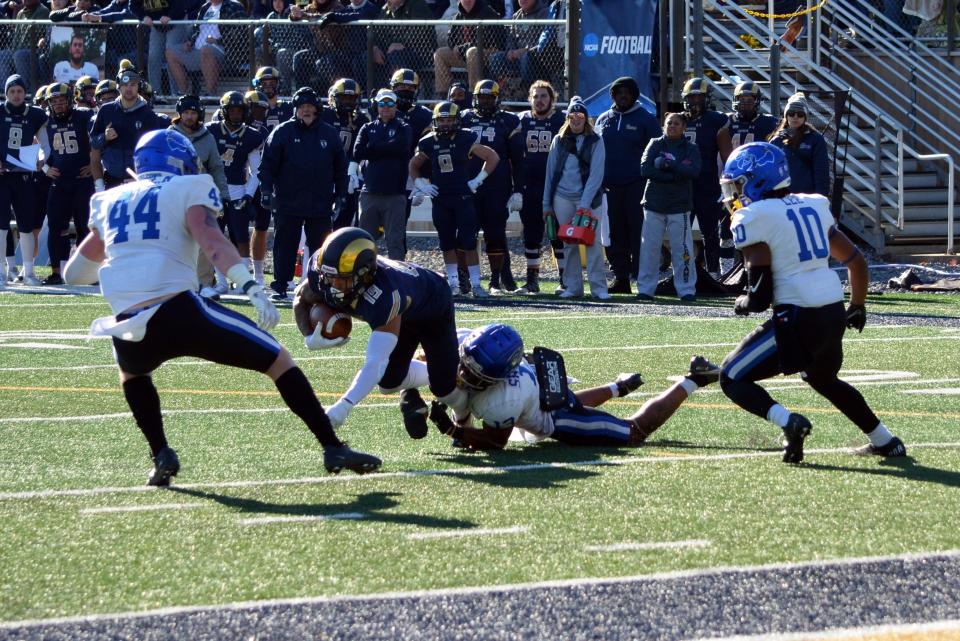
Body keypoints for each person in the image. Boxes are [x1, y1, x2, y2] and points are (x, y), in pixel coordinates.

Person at [62, 129, 381, 484]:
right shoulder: (187, 187)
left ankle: (161, 454)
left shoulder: (110, 200)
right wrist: (249, 285)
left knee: (134, 374)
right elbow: (212, 241)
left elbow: (75, 273)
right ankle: (331, 445)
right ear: (178, 161)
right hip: (178, 311)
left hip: (128, 321)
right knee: (278, 359)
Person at [717, 141, 906, 463]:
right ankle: (886, 441)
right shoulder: (813, 204)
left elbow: (760, 297)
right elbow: (855, 261)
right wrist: (857, 306)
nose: (734, 193)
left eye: (739, 184)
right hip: (832, 310)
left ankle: (789, 422)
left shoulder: (754, 215)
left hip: (797, 314)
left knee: (732, 377)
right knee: (822, 378)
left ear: (757, 180)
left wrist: (742, 301)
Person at [292, 226, 470, 439]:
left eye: (341, 279)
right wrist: (308, 336)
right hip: (404, 305)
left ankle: (464, 415)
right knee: (388, 383)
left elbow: (375, 362)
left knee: (445, 389)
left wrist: (343, 406)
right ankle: (416, 385)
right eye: (329, 277)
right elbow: (301, 298)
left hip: (432, 306)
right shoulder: (322, 272)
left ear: (364, 275)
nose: (332, 285)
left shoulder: (386, 295)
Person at [427, 323, 720, 450]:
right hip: (541, 384)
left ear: (501, 376)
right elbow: (427, 351)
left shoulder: (501, 399)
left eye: (475, 374)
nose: (463, 374)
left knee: (633, 432)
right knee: (572, 404)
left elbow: (494, 443)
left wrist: (453, 429)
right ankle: (618, 386)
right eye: (464, 364)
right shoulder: (464, 340)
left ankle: (694, 378)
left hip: (554, 415)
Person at [259, 86, 346, 301]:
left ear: (317, 109)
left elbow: (341, 169)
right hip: (288, 201)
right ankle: (280, 285)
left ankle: (319, 286)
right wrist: (266, 191)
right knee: (284, 245)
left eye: (310, 107)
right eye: (302, 107)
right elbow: (267, 165)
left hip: (320, 201)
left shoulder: (329, 133)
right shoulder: (282, 132)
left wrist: (341, 194)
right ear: (296, 109)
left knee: (320, 247)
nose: (306, 110)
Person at [409, 100, 499, 297]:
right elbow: (414, 165)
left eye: (449, 120)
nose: (445, 124)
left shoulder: (466, 137)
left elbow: (492, 156)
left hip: (463, 197)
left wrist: (478, 180)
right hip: (441, 198)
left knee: (468, 241)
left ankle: (476, 284)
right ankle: (454, 284)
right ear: (435, 122)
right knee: (446, 242)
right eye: (441, 120)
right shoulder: (428, 141)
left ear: (457, 120)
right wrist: (420, 184)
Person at [595, 76, 661, 295]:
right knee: (613, 234)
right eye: (618, 92)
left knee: (639, 233)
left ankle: (642, 280)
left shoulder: (646, 119)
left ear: (634, 95)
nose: (623, 96)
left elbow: (657, 152)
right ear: (612, 95)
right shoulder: (604, 119)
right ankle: (620, 277)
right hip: (609, 187)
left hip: (637, 186)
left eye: (627, 92)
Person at [542, 96, 608, 300]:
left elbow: (596, 175)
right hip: (562, 197)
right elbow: (550, 173)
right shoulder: (559, 140)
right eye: (573, 115)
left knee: (593, 244)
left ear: (586, 118)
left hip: (589, 200)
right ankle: (573, 287)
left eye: (580, 115)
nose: (576, 119)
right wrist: (546, 204)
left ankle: (599, 289)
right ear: (568, 118)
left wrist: (585, 205)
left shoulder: (596, 140)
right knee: (568, 244)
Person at [461, 79, 522, 294]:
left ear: (497, 99)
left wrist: (518, 189)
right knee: (465, 234)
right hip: (468, 186)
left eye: (489, 97)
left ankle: (496, 281)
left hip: (497, 186)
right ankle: (464, 280)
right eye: (482, 97)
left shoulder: (508, 120)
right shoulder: (463, 118)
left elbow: (518, 159)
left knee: (495, 233)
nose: (485, 101)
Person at [204, 91, 266, 297]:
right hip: (213, 192)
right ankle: (221, 282)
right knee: (215, 237)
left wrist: (248, 196)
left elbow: (257, 171)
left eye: (240, 110)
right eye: (232, 110)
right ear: (224, 111)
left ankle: (242, 282)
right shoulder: (210, 131)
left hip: (238, 192)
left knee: (241, 238)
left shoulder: (251, 136)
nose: (236, 114)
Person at [637, 112, 701, 302]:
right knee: (649, 248)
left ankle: (686, 289)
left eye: (676, 123)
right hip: (653, 203)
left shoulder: (691, 148)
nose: (672, 126)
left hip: (679, 205)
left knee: (682, 249)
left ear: (683, 127)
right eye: (669, 123)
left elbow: (693, 171)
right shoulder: (655, 144)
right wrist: (675, 174)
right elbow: (646, 169)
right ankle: (646, 289)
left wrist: (668, 165)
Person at [39, 82, 95, 285]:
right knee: (56, 227)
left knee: (85, 228)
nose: (59, 105)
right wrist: (45, 168)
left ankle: (85, 274)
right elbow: (32, 145)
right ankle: (57, 272)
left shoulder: (84, 116)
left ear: (70, 100)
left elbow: (101, 140)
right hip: (60, 181)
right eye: (54, 101)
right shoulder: (44, 120)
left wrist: (94, 163)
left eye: (62, 101)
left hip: (82, 180)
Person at [511, 80, 564, 294]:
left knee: (556, 233)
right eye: (536, 96)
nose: (539, 100)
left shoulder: (561, 120)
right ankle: (532, 280)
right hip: (528, 185)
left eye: (544, 96)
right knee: (531, 233)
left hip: (554, 185)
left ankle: (564, 279)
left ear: (552, 99)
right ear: (529, 99)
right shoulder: (521, 120)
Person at [718, 81, 778, 269]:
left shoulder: (768, 122)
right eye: (741, 99)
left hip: (755, 186)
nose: (745, 103)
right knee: (726, 231)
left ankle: (752, 269)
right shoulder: (726, 121)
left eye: (749, 99)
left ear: (757, 101)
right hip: (730, 185)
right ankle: (725, 270)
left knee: (755, 229)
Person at [681, 77, 732, 280]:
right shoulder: (679, 119)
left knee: (709, 232)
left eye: (699, 97)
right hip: (684, 184)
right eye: (691, 97)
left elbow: (727, 157)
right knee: (681, 232)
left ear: (707, 98)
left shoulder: (716, 120)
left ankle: (713, 272)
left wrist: (725, 186)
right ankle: (683, 272)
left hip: (707, 183)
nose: (694, 101)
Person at [0, 74, 48, 286]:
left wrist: (42, 160)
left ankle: (29, 272)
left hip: (24, 176)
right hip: (2, 176)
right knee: (1, 226)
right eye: (12, 91)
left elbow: (45, 144)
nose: (16, 95)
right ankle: (1, 272)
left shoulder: (36, 114)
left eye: (19, 91)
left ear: (25, 92)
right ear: (6, 92)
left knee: (26, 226)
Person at [353, 88, 412, 260]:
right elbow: (358, 152)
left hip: (394, 194)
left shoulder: (404, 127)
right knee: (364, 240)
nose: (386, 107)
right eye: (382, 103)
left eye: (390, 103)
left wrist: (373, 148)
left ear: (395, 106)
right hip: (370, 192)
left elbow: (402, 147)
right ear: (376, 106)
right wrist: (386, 147)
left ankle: (399, 280)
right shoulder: (367, 127)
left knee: (395, 241)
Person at [90, 68, 167, 191]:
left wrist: (146, 180)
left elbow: (156, 151)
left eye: (133, 85)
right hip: (111, 181)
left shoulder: (148, 115)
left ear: (138, 86)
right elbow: (93, 144)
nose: (129, 88)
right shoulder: (106, 111)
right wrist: (104, 137)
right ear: (118, 87)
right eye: (125, 85)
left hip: (138, 182)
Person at [166, 0, 247, 96]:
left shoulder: (233, 6)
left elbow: (241, 32)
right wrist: (190, 42)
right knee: (170, 52)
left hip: (224, 51)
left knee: (207, 49)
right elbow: (197, 30)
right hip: (197, 50)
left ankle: (210, 94)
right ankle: (185, 94)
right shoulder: (205, 7)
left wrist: (217, 40)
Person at [322, 78, 369, 229]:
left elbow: (361, 150)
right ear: (333, 98)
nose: (348, 102)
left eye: (351, 98)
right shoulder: (324, 114)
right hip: (324, 171)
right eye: (343, 97)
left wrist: (354, 171)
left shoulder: (360, 120)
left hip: (348, 173)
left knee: (346, 215)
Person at [432, 0, 503, 99]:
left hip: (490, 52)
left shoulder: (486, 12)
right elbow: (450, 38)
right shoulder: (460, 15)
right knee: (440, 53)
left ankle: (473, 94)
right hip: (466, 54)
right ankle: (444, 95)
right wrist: (455, 47)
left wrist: (461, 48)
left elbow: (484, 41)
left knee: (472, 51)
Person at [768, 92, 830, 197]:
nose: (795, 117)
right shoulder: (776, 140)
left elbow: (821, 172)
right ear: (786, 116)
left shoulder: (815, 139)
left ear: (805, 117)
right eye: (791, 113)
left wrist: (820, 198)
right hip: (781, 197)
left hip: (807, 197)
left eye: (800, 114)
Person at [487, 0, 550, 95]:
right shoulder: (516, 16)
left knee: (526, 56)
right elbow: (510, 39)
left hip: (537, 59)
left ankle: (526, 92)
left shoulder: (545, 13)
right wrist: (510, 51)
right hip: (516, 57)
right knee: (495, 58)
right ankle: (501, 92)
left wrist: (526, 50)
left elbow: (544, 41)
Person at [370, 0, 434, 87]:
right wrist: (374, 47)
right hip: (391, 51)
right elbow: (376, 32)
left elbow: (420, 31)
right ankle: (376, 94)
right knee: (365, 57)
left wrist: (401, 43)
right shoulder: (386, 8)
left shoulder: (418, 5)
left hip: (420, 53)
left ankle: (401, 92)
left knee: (395, 55)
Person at [253, 66, 294, 132]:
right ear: (257, 85)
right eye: (264, 84)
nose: (268, 87)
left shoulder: (288, 107)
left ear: (279, 84)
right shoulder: (254, 108)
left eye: (272, 83)